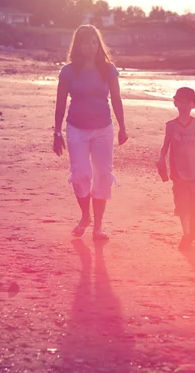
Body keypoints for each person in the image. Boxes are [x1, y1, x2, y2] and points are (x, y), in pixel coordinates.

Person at [53, 25, 128, 241]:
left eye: (94, 42)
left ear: (99, 44)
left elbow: (116, 98)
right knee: (80, 174)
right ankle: (85, 217)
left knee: (103, 175)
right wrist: (56, 132)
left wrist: (122, 126)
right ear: (78, 44)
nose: (91, 46)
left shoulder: (108, 69)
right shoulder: (68, 71)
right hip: (76, 128)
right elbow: (60, 103)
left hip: (103, 128)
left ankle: (98, 227)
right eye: (86, 42)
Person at [157, 87, 195, 250]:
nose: (182, 104)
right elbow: (165, 146)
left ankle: (192, 226)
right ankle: (186, 234)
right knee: (182, 204)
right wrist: (161, 159)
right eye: (179, 101)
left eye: (186, 101)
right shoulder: (171, 126)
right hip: (178, 173)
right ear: (175, 103)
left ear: (193, 104)